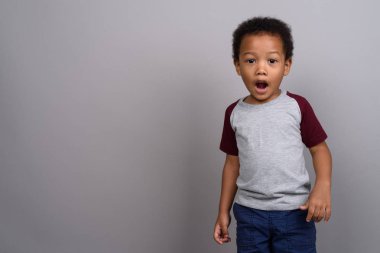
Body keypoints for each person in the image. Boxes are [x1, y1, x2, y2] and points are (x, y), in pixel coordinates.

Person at [213, 17, 332, 253]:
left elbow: (320, 149)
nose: (261, 68)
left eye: (272, 60)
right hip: (249, 215)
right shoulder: (234, 113)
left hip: (295, 214)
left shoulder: (297, 106)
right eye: (250, 60)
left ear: (286, 65)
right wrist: (223, 212)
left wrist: (323, 185)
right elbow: (231, 164)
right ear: (237, 65)